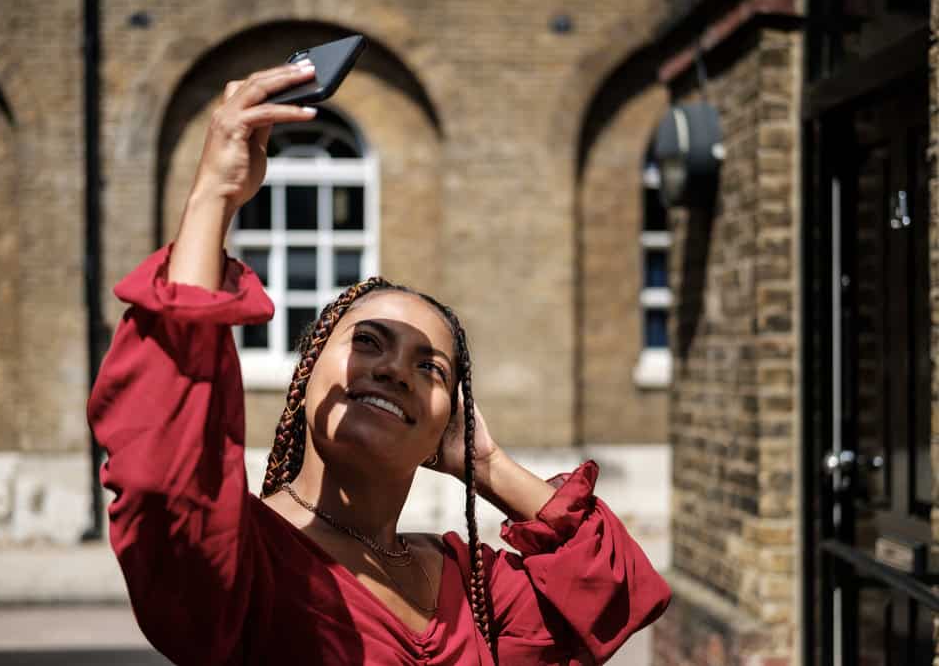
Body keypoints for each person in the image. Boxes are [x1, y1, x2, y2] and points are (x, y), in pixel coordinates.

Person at [87, 59, 671, 666]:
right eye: (368, 342)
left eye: (431, 368)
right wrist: (214, 195)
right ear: (307, 373)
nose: (396, 370)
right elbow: (165, 464)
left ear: (449, 419)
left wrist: (488, 465)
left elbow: (617, 591)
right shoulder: (242, 560)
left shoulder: (471, 588)